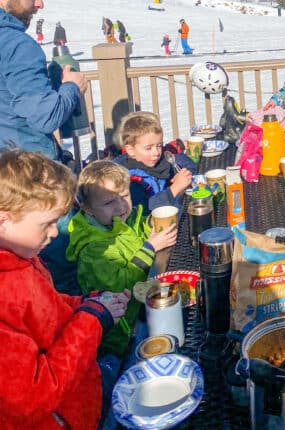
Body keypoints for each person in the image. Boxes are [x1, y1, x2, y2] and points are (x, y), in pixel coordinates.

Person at [0, 149, 129, 430]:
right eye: (47, 224)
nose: (55, 232)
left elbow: (46, 306)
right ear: (3, 220)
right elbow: (33, 396)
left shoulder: (22, 259)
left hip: (79, 401)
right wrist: (91, 319)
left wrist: (89, 303)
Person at [66, 160, 178, 357]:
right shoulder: (94, 248)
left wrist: (150, 225)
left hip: (142, 310)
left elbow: (134, 235)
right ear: (88, 209)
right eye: (109, 202)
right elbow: (120, 285)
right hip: (121, 334)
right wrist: (150, 248)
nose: (120, 206)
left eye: (125, 195)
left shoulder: (123, 219)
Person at [0, 0, 87, 159]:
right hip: (25, 175)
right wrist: (71, 87)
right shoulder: (17, 45)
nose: (40, 3)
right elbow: (46, 116)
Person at [113, 111, 195, 212]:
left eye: (159, 146)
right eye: (148, 148)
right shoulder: (129, 179)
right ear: (130, 150)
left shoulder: (159, 162)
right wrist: (174, 189)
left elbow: (186, 163)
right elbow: (144, 208)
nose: (156, 152)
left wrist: (183, 175)